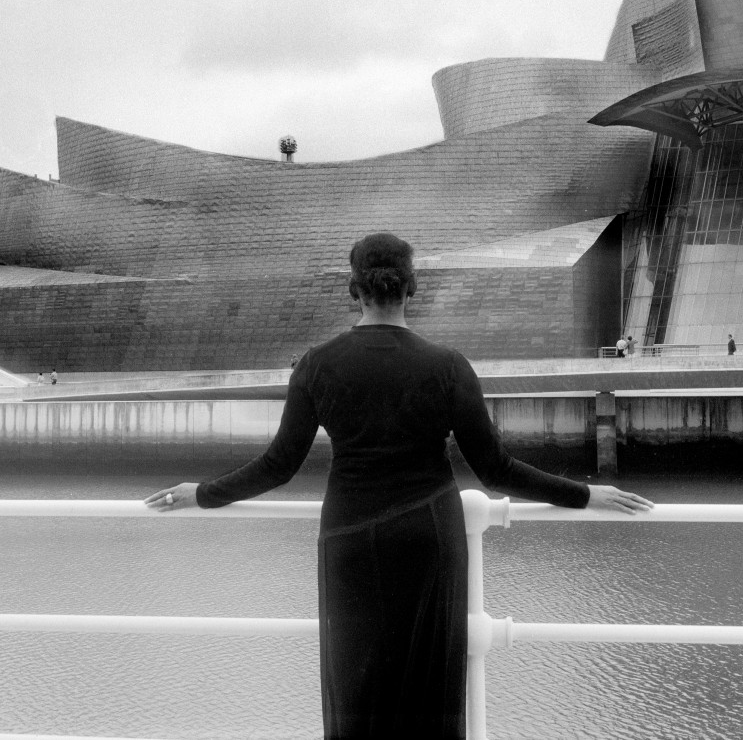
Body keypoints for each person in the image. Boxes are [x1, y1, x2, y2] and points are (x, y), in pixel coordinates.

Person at [145, 232, 653, 738]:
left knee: (356, 696)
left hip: (349, 540)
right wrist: (586, 493)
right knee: (430, 697)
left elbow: (279, 465)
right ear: (412, 289)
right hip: (429, 537)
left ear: (354, 289)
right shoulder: (448, 366)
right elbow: (496, 468)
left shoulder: (316, 365)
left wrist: (202, 492)